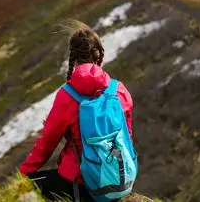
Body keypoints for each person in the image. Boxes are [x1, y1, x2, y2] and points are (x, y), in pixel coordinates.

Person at [19, 20, 134, 202]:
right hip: (119, 179)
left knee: (25, 189)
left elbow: (47, 142)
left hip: (80, 184)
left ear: (72, 55)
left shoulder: (67, 95)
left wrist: (23, 173)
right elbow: (127, 136)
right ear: (99, 54)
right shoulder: (119, 90)